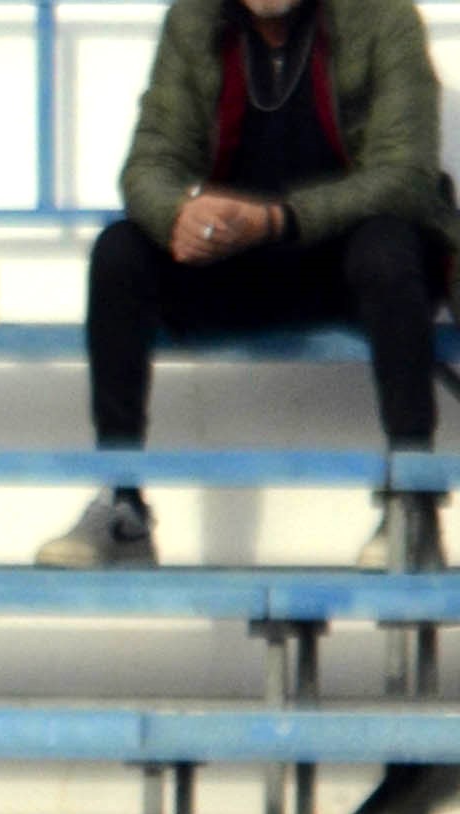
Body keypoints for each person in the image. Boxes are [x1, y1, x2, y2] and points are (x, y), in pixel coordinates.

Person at [42, 0, 454, 571]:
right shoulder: (195, 20)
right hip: (239, 259)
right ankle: (122, 502)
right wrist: (177, 216)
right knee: (119, 252)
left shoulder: (382, 16)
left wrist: (280, 218)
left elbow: (405, 175)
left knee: (388, 246)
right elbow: (148, 165)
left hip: (346, 260)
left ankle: (412, 500)